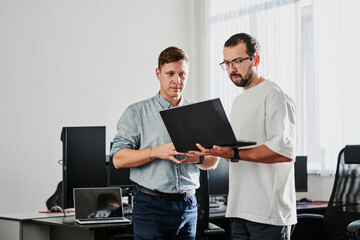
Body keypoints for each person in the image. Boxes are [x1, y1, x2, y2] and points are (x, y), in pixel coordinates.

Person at [192, 33, 297, 240]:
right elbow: (230, 151)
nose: (232, 69)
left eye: (238, 61)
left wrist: (234, 154)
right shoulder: (238, 102)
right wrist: (204, 155)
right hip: (240, 210)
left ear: (255, 59)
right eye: (227, 63)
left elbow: (283, 152)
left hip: (269, 214)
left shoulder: (273, 94)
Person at [110, 46, 218, 240]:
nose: (177, 80)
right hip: (151, 206)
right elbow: (118, 159)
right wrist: (156, 152)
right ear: (158, 73)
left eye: (182, 74)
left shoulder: (197, 112)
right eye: (170, 73)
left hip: (189, 205)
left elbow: (212, 162)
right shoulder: (136, 113)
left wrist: (196, 158)